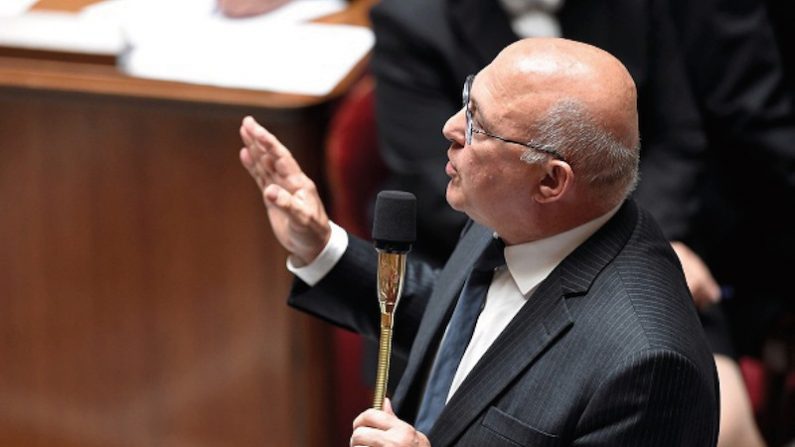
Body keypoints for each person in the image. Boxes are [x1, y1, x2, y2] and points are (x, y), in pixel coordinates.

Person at [239, 37, 719, 446]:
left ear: (551, 182)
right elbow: (462, 330)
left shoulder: (650, 366)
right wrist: (320, 245)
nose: (450, 129)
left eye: (478, 125)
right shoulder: (518, 216)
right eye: (468, 99)